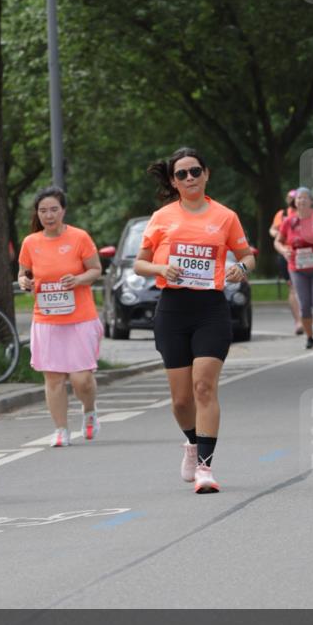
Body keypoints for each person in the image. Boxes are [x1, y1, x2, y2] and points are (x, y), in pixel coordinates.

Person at [133, 147, 254, 494]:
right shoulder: (162, 217)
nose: (190, 178)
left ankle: (205, 466)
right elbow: (139, 263)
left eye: (195, 171)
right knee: (181, 400)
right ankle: (191, 441)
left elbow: (248, 256)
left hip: (211, 309)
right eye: (182, 174)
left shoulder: (225, 216)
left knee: (204, 385)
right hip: (172, 308)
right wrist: (160, 268)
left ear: (206, 174)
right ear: (173, 181)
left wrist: (240, 269)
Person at [18, 186, 103, 446]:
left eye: (54, 209)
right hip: (46, 319)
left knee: (81, 380)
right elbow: (23, 274)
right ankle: (61, 430)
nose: (49, 215)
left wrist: (78, 279)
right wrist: (25, 282)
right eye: (43, 210)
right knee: (53, 377)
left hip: (80, 318)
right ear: (37, 214)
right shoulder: (31, 242)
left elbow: (96, 269)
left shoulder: (79, 237)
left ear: (63, 210)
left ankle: (89, 412)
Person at [274, 187, 313, 349]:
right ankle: (309, 337)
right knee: (305, 305)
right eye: (299, 198)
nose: (302, 200)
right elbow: (277, 241)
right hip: (297, 268)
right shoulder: (289, 221)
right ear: (295, 202)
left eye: (305, 197)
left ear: (311, 201)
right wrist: (284, 250)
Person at [269, 190, 302, 334]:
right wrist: (279, 234)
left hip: (305, 254)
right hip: (286, 254)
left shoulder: (307, 213)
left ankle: (308, 317)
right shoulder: (282, 214)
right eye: (289, 197)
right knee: (293, 288)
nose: (292, 200)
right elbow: (272, 230)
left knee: (306, 286)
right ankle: (299, 322)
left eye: (294, 198)